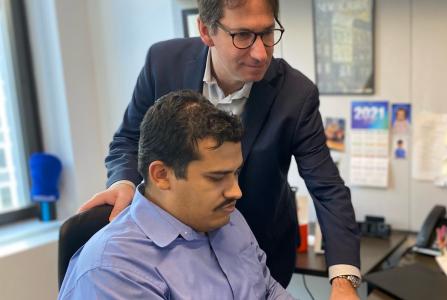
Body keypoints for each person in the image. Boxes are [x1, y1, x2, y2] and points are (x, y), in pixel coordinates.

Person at [78, 0, 361, 295]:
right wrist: (123, 181)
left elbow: (327, 187)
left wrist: (344, 282)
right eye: (242, 36)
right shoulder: (163, 63)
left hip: (256, 250)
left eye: (267, 33)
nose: (260, 52)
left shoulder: (295, 94)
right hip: (175, 256)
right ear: (206, 30)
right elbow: (128, 139)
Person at [59, 91, 292, 299]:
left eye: (236, 173)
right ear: (161, 175)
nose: (236, 191)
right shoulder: (113, 269)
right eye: (217, 177)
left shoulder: (229, 220)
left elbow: (268, 290)